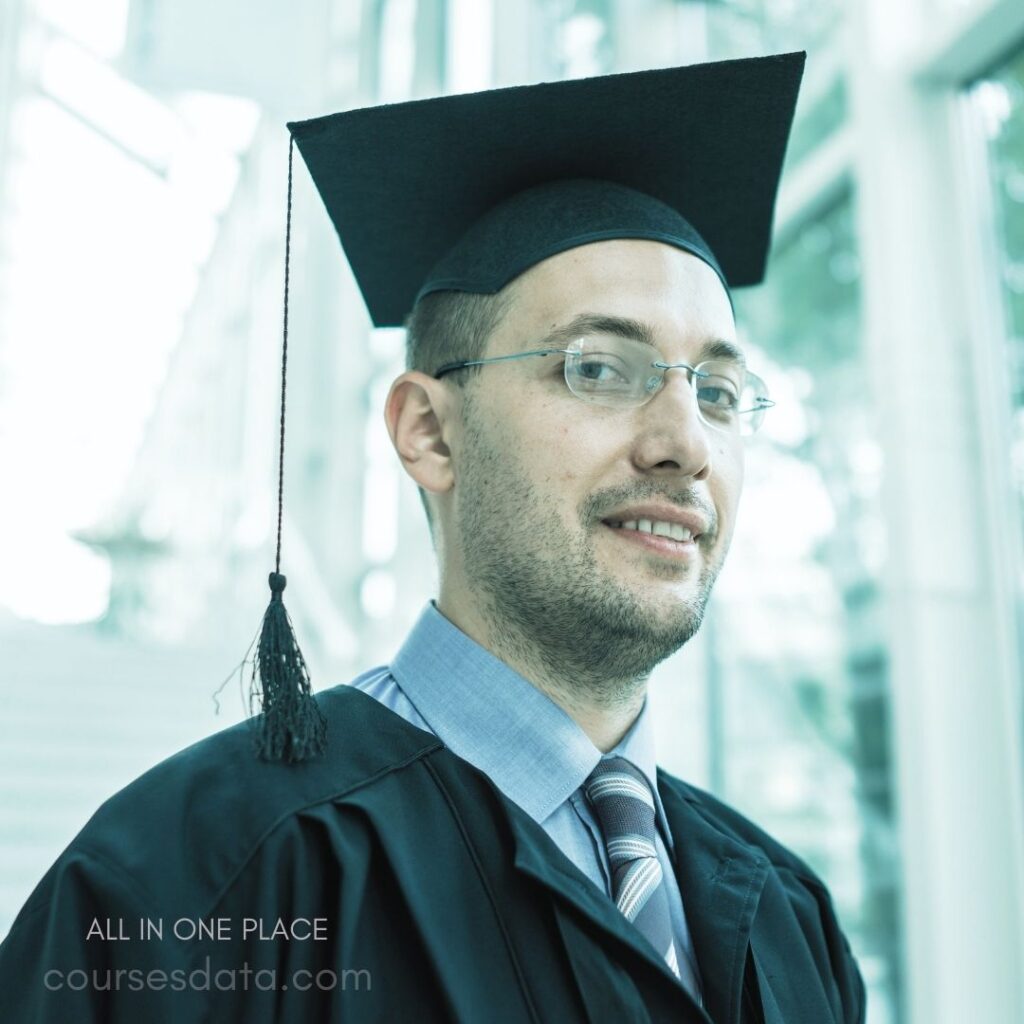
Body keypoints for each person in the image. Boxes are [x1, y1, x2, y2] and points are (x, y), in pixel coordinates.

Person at [0, 52, 866, 1023]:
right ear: (429, 431)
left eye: (714, 392)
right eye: (599, 369)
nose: (683, 444)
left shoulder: (787, 914)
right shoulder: (203, 876)